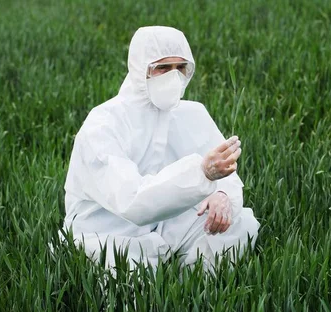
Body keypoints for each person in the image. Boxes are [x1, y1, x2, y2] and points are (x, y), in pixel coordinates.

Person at [62, 26, 260, 272]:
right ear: (139, 68)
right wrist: (201, 174)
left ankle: (197, 290)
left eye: (180, 68)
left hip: (167, 222)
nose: (173, 77)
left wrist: (221, 196)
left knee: (241, 225)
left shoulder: (193, 113)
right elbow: (131, 201)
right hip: (109, 231)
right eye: (163, 68)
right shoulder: (103, 123)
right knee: (130, 282)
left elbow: (227, 177)